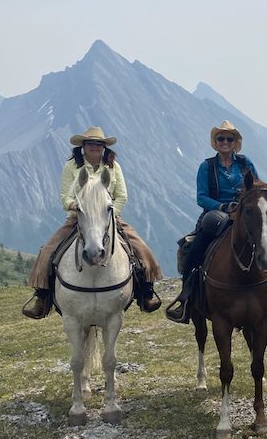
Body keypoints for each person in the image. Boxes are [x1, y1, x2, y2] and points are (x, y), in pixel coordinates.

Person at [166, 121, 267, 329]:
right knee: (193, 249)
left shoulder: (246, 163)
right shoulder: (206, 167)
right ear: (216, 142)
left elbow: (258, 187)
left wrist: (249, 203)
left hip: (245, 213)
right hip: (215, 215)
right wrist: (223, 205)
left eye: (229, 139)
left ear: (236, 142)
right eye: (221, 138)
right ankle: (186, 298)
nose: (225, 142)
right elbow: (202, 197)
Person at [22, 127, 163, 319]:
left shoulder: (114, 167)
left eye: (99, 144)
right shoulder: (71, 167)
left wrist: (110, 216)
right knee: (48, 251)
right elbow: (65, 197)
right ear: (83, 146)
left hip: (109, 217)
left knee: (142, 249)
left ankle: (146, 292)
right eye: (91, 143)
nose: (95, 147)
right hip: (79, 217)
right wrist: (77, 207)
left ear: (104, 147)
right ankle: (42, 297)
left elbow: (121, 196)